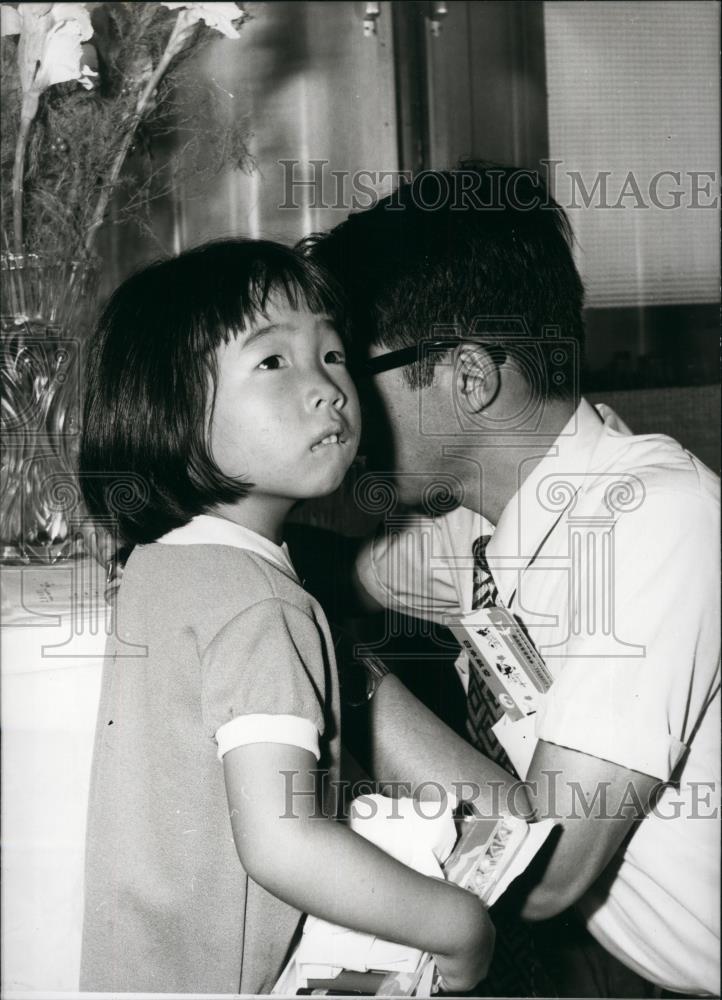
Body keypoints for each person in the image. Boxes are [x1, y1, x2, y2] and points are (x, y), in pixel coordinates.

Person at [303, 164, 721, 997]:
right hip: (606, 966)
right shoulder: (481, 525)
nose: (336, 404)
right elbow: (342, 552)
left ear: (468, 377)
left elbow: (550, 865)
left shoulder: (657, 520)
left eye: (353, 371)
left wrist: (334, 673)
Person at [77, 239, 498, 995]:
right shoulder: (263, 603)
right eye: (273, 362)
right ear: (170, 406)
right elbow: (282, 842)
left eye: (333, 356)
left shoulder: (156, 566)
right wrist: (459, 924)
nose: (327, 388)